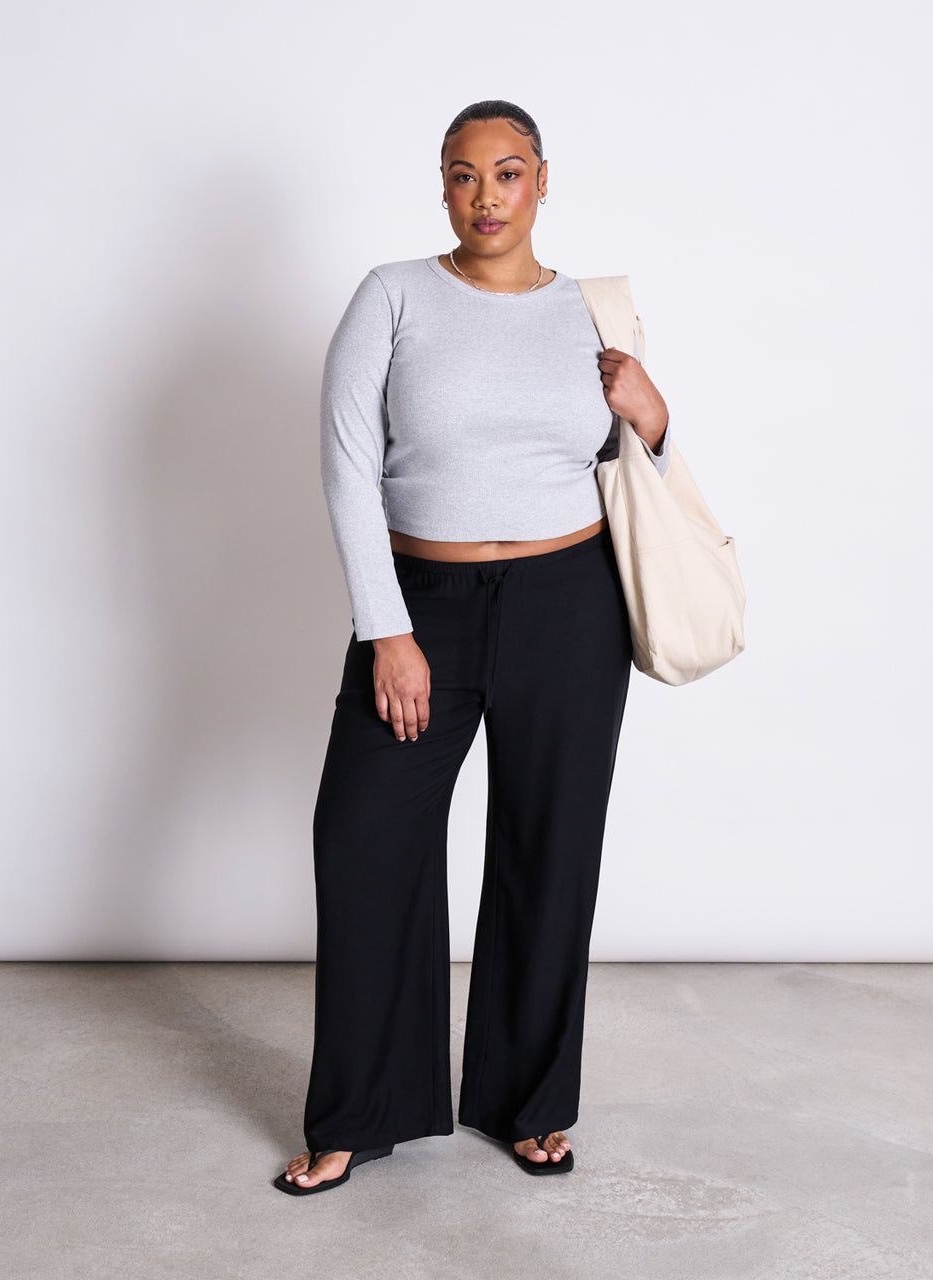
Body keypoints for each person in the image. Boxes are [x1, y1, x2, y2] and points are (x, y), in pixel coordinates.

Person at [275, 99, 671, 1195]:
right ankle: (361, 1106)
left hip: (569, 600)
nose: (485, 195)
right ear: (440, 186)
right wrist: (386, 627)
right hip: (422, 602)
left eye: (506, 172)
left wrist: (656, 413)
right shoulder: (392, 295)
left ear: (543, 179)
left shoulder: (594, 313)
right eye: (463, 174)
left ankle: (529, 1099)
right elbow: (348, 466)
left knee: (552, 847)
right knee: (361, 840)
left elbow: (643, 475)